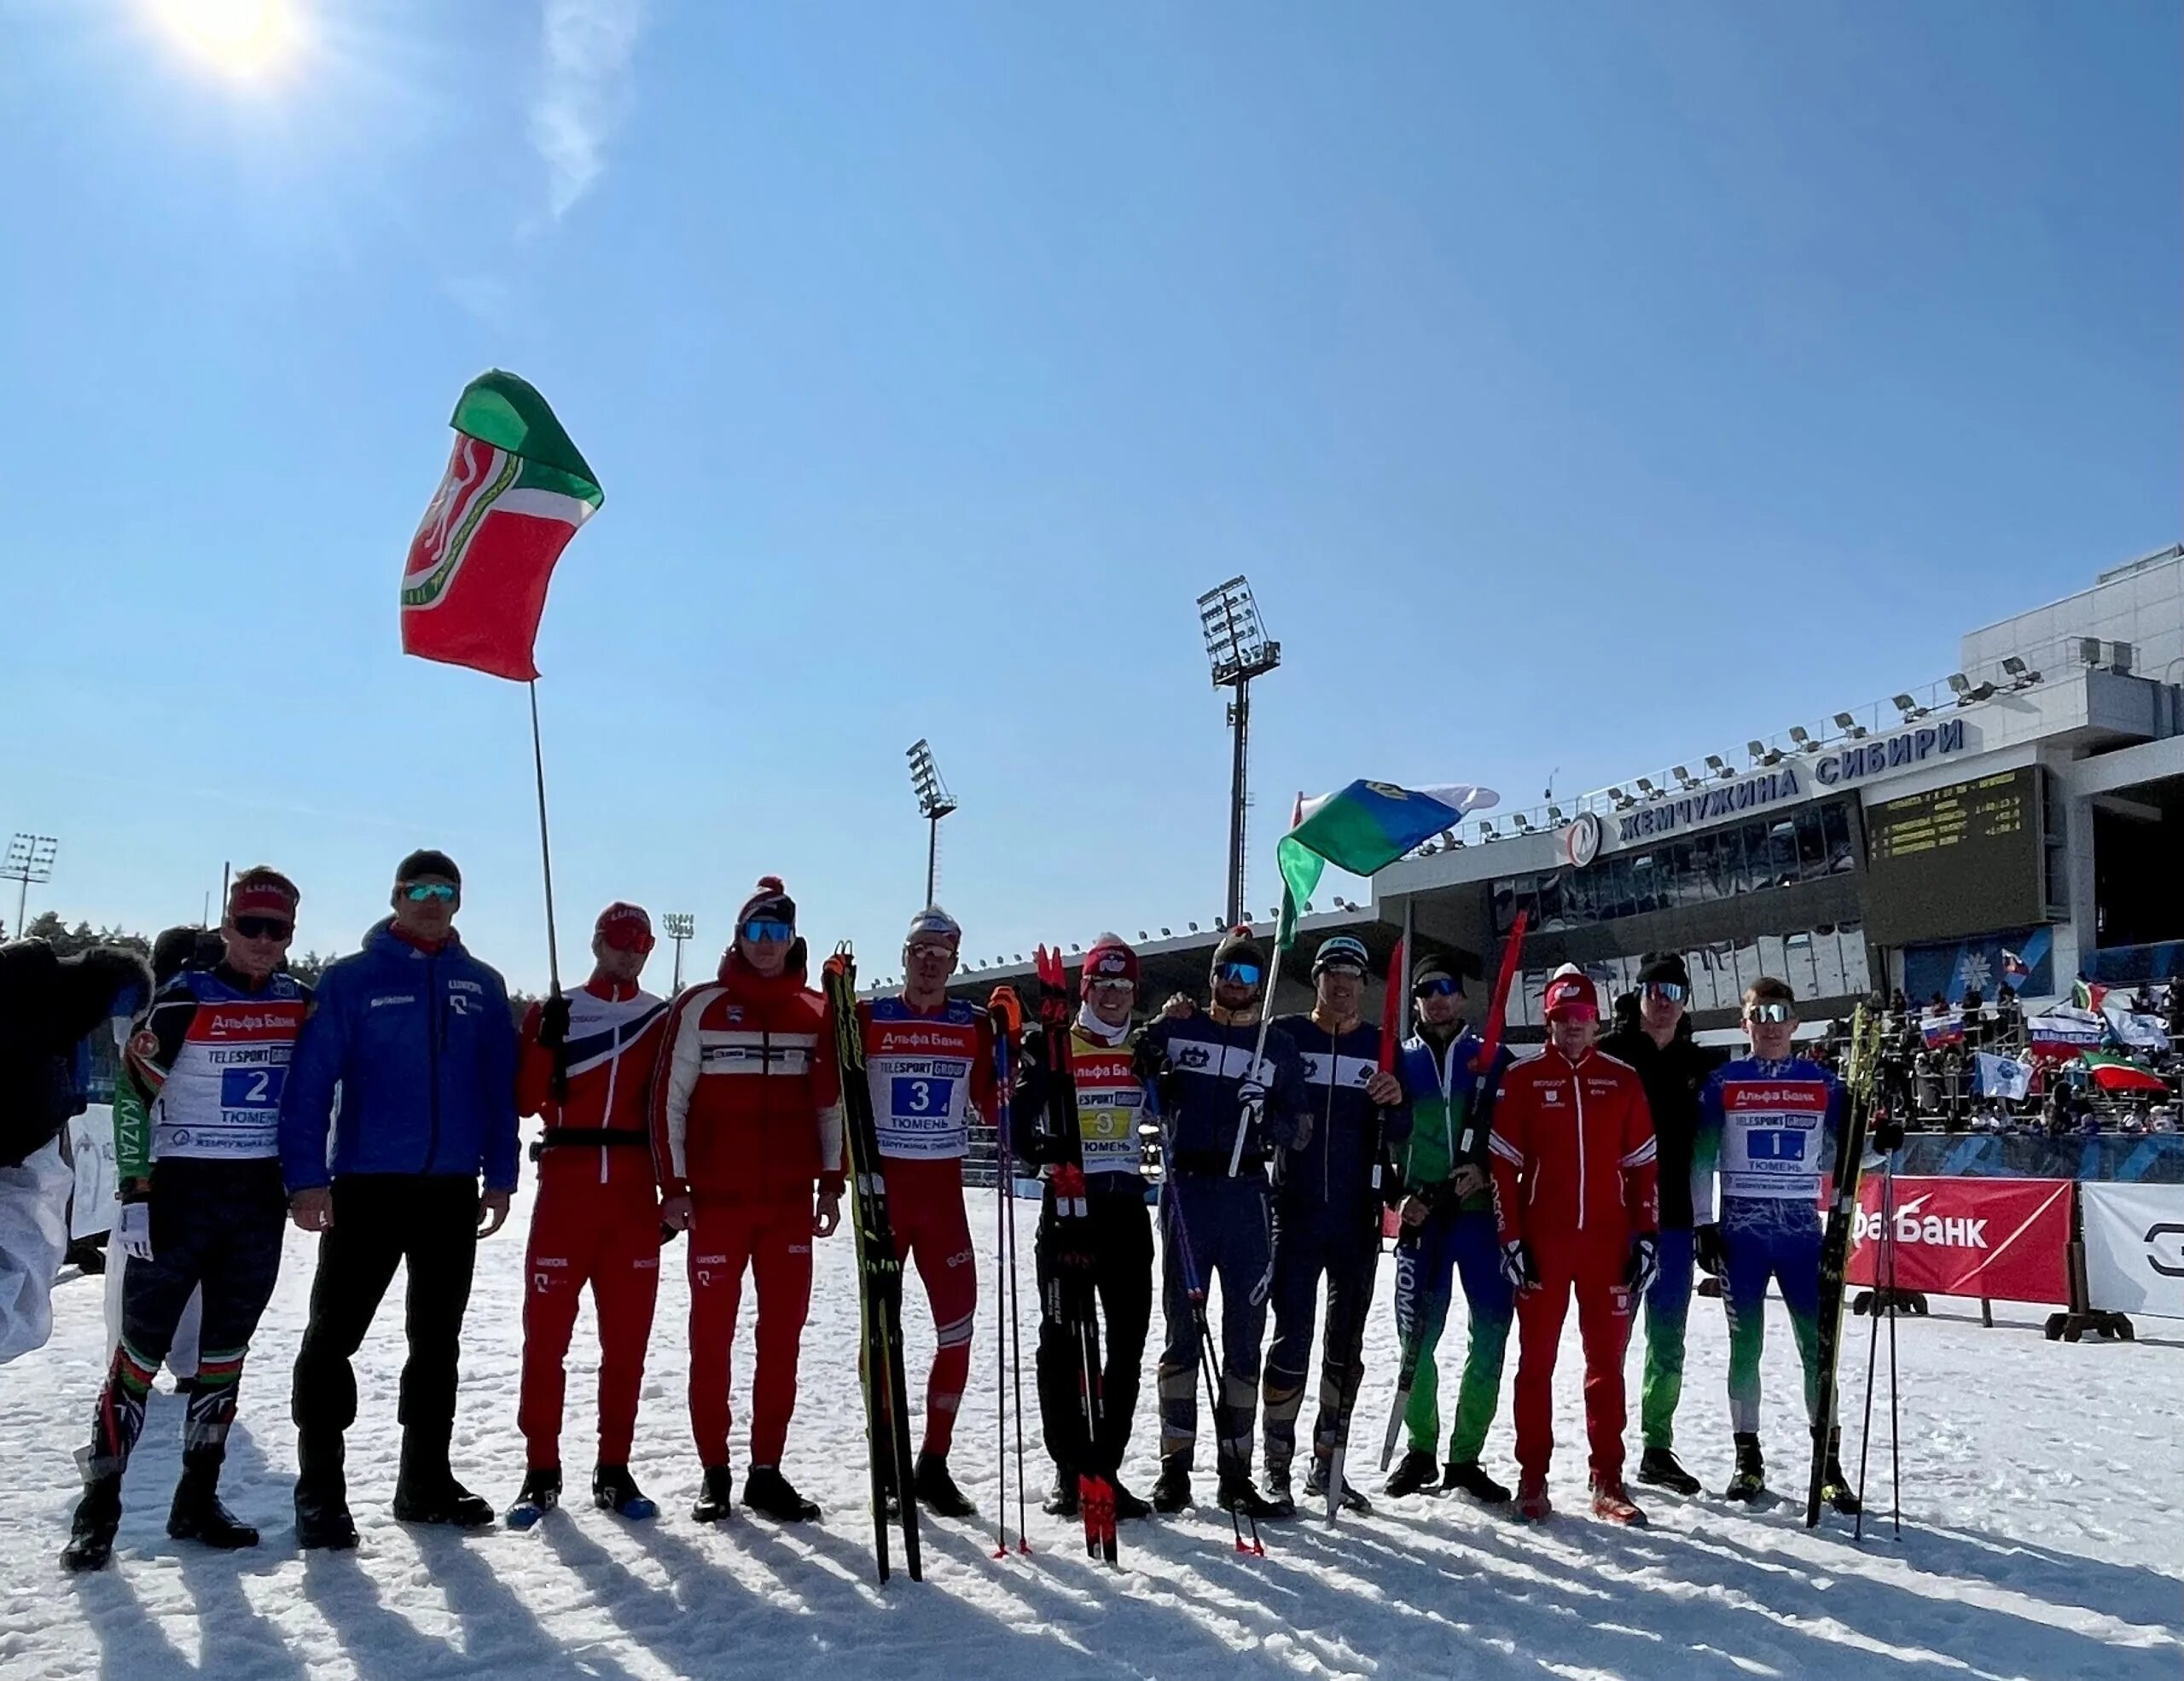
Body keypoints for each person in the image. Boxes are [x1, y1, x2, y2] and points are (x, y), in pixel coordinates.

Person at [61, 870, 310, 1570]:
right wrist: (136, 1193)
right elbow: (135, 1098)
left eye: (277, 930)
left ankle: (196, 1499)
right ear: (228, 928)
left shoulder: (301, 1004)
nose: (262, 941)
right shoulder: (184, 998)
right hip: (179, 1196)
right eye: (251, 925)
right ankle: (98, 1511)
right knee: (137, 1358)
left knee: (224, 1356)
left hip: (258, 1200)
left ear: (290, 936)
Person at [280, 849, 520, 1548]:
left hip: (451, 1191)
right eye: (419, 889)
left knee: (436, 1342)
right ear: (395, 895)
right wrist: (305, 1178)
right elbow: (310, 1084)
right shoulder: (352, 981)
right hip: (366, 1188)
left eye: (446, 890)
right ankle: (319, 1492)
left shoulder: (482, 984)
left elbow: (497, 1088)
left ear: (459, 901)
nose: (432, 900)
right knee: (333, 1338)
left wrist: (500, 1174)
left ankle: (424, 1482)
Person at [651, 877, 843, 1523]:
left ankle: (767, 1470)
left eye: (778, 933)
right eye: (756, 932)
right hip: (716, 1206)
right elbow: (669, 1102)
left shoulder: (816, 1011)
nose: (767, 945)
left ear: (793, 941)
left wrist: (831, 1180)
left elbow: (831, 1105)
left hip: (787, 1202)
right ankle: (715, 1470)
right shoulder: (702, 1005)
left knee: (780, 1340)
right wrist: (673, 1188)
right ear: (738, 937)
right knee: (712, 1340)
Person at [507, 902, 672, 1527]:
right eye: (618, 939)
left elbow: (675, 1107)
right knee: (544, 1342)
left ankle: (615, 1468)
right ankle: (540, 1470)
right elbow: (526, 1101)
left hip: (632, 1198)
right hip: (565, 1196)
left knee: (625, 1346)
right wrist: (544, 1044)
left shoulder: (660, 1016)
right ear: (596, 941)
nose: (628, 951)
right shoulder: (557, 1010)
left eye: (640, 942)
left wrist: (676, 1192)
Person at [1135, 927, 1309, 1520]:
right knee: (1182, 1331)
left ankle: (1235, 1471)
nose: (1238, 986)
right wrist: (1156, 1028)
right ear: (1211, 979)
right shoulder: (1182, 1027)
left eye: (1250, 977)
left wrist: (1270, 1115)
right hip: (1186, 1192)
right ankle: (1173, 1470)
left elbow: (1299, 1128)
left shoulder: (1275, 1044)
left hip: (1247, 1199)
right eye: (1228, 974)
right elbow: (1138, 1051)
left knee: (1243, 1337)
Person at [1489, 965, 1658, 1525]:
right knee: (1535, 1364)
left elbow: (1642, 1168)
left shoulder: (1623, 1079)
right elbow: (1501, 1166)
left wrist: (1648, 1236)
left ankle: (1608, 1477)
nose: (1572, 1028)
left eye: (1582, 1018)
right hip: (1544, 1244)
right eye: (1562, 1019)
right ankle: (1532, 1477)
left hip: (1607, 1246)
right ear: (1549, 1021)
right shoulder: (1524, 1078)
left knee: (1605, 1366)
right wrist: (1511, 1238)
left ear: (1597, 1020)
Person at [1690, 976, 1857, 1510]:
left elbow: (1846, 1159)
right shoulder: (1723, 1082)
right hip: (1742, 1237)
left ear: (1795, 1022)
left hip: (1802, 1238)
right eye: (1758, 1015)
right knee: (1747, 1348)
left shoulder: (1823, 1084)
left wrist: (1879, 1136)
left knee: (1819, 1351)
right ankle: (1748, 1460)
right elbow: (1700, 1158)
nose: (1768, 1025)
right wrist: (1702, 1223)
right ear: (1745, 1025)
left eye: (1778, 1013)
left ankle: (1827, 1465)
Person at [855, 904, 995, 1517]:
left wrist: (1018, 1046)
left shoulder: (973, 1025)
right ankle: (886, 1465)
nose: (930, 963)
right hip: (885, 1200)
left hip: (943, 1202)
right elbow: (830, 1086)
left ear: (954, 963)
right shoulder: (870, 1018)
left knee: (957, 1327)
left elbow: (995, 1106)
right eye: (921, 953)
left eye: (941, 955)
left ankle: (932, 1463)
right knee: (881, 1335)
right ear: (905, 958)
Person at [1258, 934, 1404, 1516]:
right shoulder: (1286, 1034)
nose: (1342, 985)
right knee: (1291, 1338)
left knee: (1346, 1345)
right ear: (1316, 980)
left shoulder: (1381, 1045)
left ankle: (1329, 1463)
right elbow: (1256, 1106)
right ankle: (1275, 1467)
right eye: (1331, 974)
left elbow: (1401, 1129)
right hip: (1293, 1213)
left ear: (1364, 986)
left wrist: (1395, 1101)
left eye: (1352, 976)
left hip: (1355, 1219)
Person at [1012, 933, 1155, 1522]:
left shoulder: (1147, 1049)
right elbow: (1017, 1131)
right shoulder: (1054, 1044)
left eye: (1124, 986)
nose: (1115, 996)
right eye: (1103, 985)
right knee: (1062, 1343)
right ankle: (1069, 1471)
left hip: (1125, 1211)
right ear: (1085, 989)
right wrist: (1044, 1143)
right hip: (1069, 1207)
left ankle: (1106, 1469)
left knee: (1125, 1348)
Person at [1381, 954, 1513, 1504]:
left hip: (1481, 1221)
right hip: (1423, 1219)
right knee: (1417, 1339)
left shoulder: (1495, 1059)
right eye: (1424, 991)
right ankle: (1420, 1450)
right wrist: (1398, 1196)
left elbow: (1518, 1139)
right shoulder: (1397, 1060)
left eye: (1444, 988)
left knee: (1489, 1338)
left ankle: (1465, 1457)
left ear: (1462, 997)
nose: (1435, 998)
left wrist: (1485, 1171)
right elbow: (1376, 1140)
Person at [1599, 953, 1717, 1498]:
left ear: (1685, 998)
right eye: (1654, 988)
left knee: (1667, 1344)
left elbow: (1711, 1147)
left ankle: (1657, 1448)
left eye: (1674, 989)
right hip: (1617, 1221)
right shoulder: (1611, 1053)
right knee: (1612, 1343)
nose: (1663, 998)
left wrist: (1704, 1222)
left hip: (1672, 1223)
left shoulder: (1699, 1064)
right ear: (1640, 993)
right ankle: (1607, 1451)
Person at [0, 937, 150, 1364]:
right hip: (22, 1139)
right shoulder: (52, 988)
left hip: (28, 1133)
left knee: (24, 1266)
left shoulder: (47, 986)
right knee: (20, 1276)